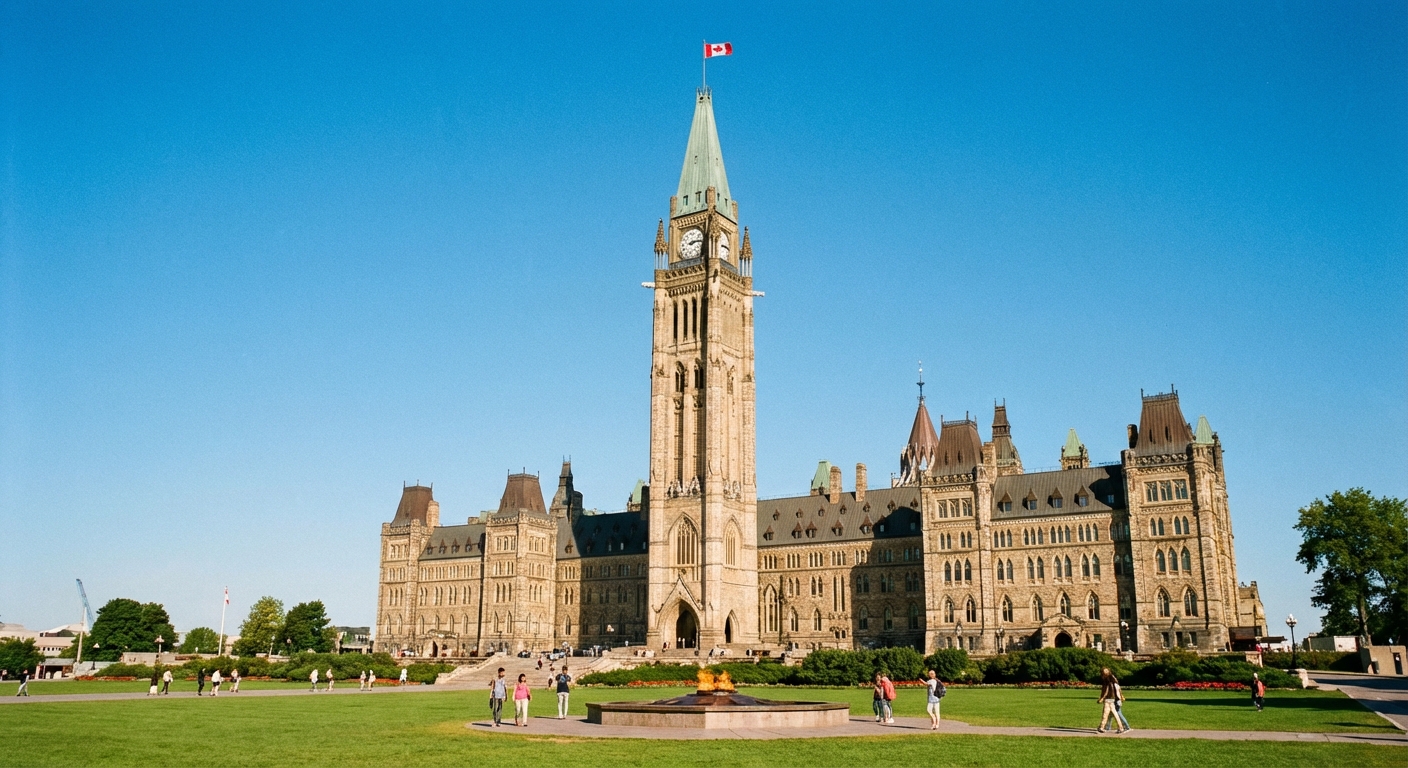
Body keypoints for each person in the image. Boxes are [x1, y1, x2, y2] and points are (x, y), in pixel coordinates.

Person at [1097, 668, 1126, 733]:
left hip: (1108, 699)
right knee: (1114, 714)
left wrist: (1102, 698)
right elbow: (1118, 688)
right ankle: (1120, 728)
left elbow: (1106, 691)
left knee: (1105, 714)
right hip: (1112, 699)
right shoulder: (1113, 681)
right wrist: (1121, 696)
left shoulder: (1107, 680)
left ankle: (1102, 727)